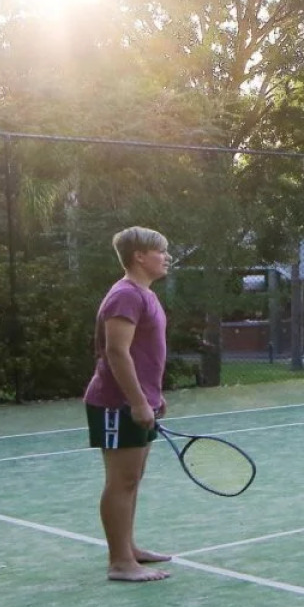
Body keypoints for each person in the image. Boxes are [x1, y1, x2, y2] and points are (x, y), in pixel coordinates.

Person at [83, 226, 174, 582]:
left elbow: (142, 353)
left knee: (132, 479)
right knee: (121, 481)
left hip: (136, 400)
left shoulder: (143, 294)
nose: (166, 257)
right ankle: (120, 562)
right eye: (161, 251)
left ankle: (128, 548)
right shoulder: (125, 296)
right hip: (114, 403)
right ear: (139, 256)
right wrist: (138, 402)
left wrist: (153, 395)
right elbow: (116, 351)